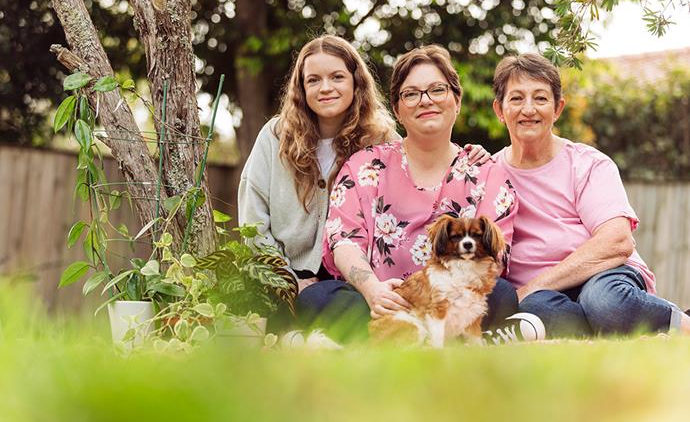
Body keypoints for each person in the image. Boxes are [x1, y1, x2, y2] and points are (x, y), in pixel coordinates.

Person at [238, 35, 487, 333]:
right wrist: (289, 280)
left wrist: (468, 155)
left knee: (343, 306)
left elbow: (424, 165)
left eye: (337, 77)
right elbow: (253, 221)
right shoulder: (275, 137)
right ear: (301, 89)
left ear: (356, 82)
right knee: (292, 299)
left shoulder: (382, 140)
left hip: (358, 281)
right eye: (313, 80)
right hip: (285, 273)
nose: (326, 87)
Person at [298, 45, 522, 342]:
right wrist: (373, 290)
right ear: (397, 109)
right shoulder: (365, 166)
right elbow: (343, 240)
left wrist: (438, 294)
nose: (425, 101)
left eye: (437, 90)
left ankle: (404, 341)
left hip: (454, 301)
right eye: (411, 94)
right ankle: (396, 337)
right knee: (317, 297)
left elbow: (496, 254)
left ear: (457, 100)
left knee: (502, 295)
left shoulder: (487, 173)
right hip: (378, 305)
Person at [491, 52, 690, 338]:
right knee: (537, 309)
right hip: (541, 299)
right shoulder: (488, 173)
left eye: (541, 98)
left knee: (606, 303)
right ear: (500, 110)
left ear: (558, 108)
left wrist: (533, 286)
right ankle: (606, 329)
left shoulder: (588, 164)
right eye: (517, 98)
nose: (529, 109)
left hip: (603, 277)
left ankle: (681, 324)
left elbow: (617, 242)